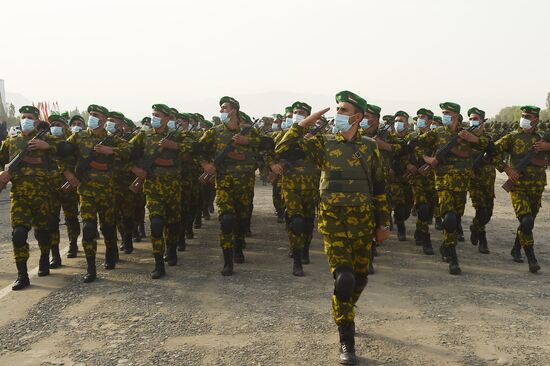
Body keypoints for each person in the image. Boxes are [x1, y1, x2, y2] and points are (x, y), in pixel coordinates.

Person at [279, 91, 390, 364]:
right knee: (345, 278)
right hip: (333, 222)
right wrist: (305, 122)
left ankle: (345, 310)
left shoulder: (369, 147)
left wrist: (382, 223)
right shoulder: (324, 144)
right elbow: (282, 149)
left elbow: (379, 187)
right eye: (337, 109)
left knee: (360, 277)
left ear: (358, 116)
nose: (338, 113)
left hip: (363, 222)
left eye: (344, 109)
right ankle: (346, 340)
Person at [62, 104, 131, 283]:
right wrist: (68, 173)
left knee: (108, 227)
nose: (91, 117)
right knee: (89, 228)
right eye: (90, 114)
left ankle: (110, 250)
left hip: (108, 191)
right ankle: (91, 267)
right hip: (86, 192)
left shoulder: (112, 139)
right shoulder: (79, 137)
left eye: (95, 115)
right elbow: (61, 153)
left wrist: (112, 150)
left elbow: (131, 150)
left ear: (103, 119)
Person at [416, 102, 487, 275]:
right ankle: (454, 259)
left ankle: (446, 246)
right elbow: (415, 145)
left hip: (461, 184)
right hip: (442, 183)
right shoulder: (437, 133)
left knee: (455, 219)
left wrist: (475, 139)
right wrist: (427, 158)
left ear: (456, 115)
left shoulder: (467, 133)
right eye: (443, 113)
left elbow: (490, 147)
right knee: (448, 218)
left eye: (447, 113)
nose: (444, 116)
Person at [198, 96, 261, 276]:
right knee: (226, 220)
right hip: (224, 184)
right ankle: (227, 260)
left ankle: (238, 246)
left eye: (225, 108)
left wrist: (247, 142)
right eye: (221, 108)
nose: (221, 111)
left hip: (245, 184)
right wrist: (205, 165)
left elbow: (266, 147)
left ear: (234, 111)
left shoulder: (250, 132)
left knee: (241, 220)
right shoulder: (215, 132)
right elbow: (197, 149)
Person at [129, 104, 191, 278]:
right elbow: (125, 152)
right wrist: (135, 170)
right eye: (153, 114)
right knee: (156, 225)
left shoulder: (179, 135)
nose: (154, 117)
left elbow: (194, 149)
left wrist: (174, 146)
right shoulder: (143, 136)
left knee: (173, 224)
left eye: (158, 115)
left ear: (167, 118)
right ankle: (158, 263)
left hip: (173, 187)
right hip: (153, 188)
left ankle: (171, 249)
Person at [0, 106, 59, 290]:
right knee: (18, 233)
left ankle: (44, 256)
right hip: (19, 195)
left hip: (43, 195)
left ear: (37, 120)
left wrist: (48, 146)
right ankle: (22, 275)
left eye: (29, 117)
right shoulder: (12, 142)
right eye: (23, 116)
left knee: (42, 232)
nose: (25, 120)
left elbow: (69, 151)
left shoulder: (47, 139)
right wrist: (2, 172)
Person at [493, 105, 550, 273]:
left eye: (529, 116)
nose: (524, 118)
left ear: (536, 120)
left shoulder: (542, 139)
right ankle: (531, 258)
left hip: (537, 186)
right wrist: (506, 168)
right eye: (523, 115)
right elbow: (491, 152)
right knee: (526, 220)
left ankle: (516, 248)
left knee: (528, 223)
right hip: (518, 186)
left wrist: (548, 147)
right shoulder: (512, 137)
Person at [273, 101, 321, 276]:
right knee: (296, 221)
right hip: (290, 185)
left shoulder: (318, 137)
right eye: (295, 112)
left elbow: (323, 159)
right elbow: (273, 152)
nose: (297, 115)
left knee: (308, 221)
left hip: (311, 185)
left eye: (302, 112)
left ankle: (305, 249)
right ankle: (297, 259)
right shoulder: (285, 136)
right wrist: (273, 166)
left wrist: (311, 142)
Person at [467, 107, 494, 254]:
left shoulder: (489, 138)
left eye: (475, 119)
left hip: (488, 179)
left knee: (488, 213)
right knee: (482, 210)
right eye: (471, 119)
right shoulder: (464, 138)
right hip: (474, 179)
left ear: (482, 121)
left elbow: (495, 155)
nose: (472, 121)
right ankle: (483, 240)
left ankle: (475, 227)